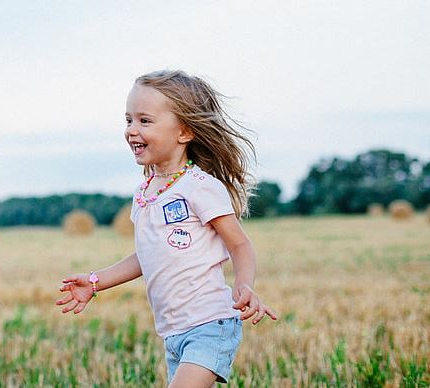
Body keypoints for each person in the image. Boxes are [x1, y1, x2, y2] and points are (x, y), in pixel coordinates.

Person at [56, 70, 278, 387]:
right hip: (173, 332)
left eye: (145, 121)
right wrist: (95, 281)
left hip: (210, 325)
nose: (132, 130)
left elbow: (240, 245)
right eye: (128, 120)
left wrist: (245, 285)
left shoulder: (200, 187)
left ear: (184, 132)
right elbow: (146, 255)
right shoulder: (145, 193)